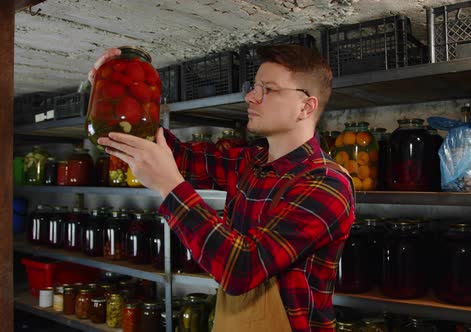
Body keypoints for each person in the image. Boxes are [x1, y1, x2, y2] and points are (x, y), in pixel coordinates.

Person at [93, 44, 355, 331]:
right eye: (253, 86)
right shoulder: (249, 162)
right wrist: (114, 94)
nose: (250, 97)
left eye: (267, 89)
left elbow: (242, 268)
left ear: (306, 106)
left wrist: (169, 185)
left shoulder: (327, 184)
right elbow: (178, 155)